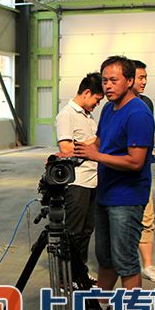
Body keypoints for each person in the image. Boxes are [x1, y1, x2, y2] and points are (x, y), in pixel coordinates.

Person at [74, 55, 155, 310]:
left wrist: (96, 156)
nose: (107, 86)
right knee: (105, 258)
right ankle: (101, 308)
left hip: (127, 198)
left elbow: (135, 161)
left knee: (126, 261)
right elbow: (99, 141)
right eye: (105, 80)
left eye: (114, 80)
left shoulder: (138, 114)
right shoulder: (109, 109)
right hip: (106, 193)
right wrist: (76, 150)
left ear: (130, 81)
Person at [55, 72, 104, 281]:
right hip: (77, 182)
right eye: (96, 99)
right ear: (86, 92)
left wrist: (92, 144)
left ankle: (79, 272)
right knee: (73, 231)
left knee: (86, 230)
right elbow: (66, 149)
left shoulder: (88, 116)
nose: (97, 104)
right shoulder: (67, 114)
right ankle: (66, 277)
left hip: (93, 180)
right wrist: (95, 142)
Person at [131, 60, 155, 283]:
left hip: (142, 173)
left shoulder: (146, 103)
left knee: (147, 217)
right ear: (129, 79)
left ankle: (148, 265)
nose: (144, 82)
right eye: (140, 77)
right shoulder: (113, 106)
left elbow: (149, 134)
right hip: (121, 172)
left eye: (146, 77)